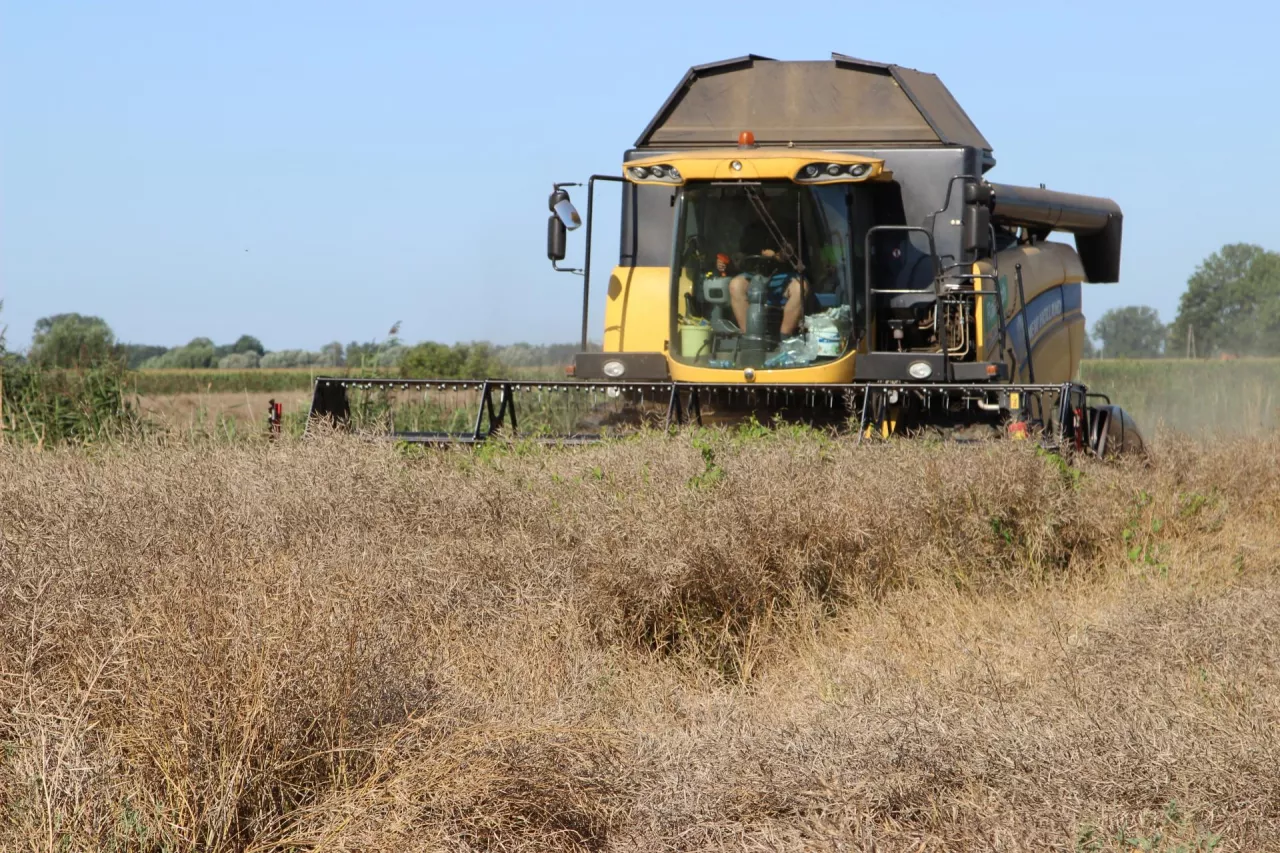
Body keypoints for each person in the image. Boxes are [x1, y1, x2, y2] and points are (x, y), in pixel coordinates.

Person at [728, 221, 808, 336]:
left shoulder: (785, 226)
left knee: (800, 288)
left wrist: (775, 256)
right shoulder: (750, 230)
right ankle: (749, 336)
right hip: (754, 275)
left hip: (783, 277)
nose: (764, 205)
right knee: (735, 285)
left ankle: (785, 337)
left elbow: (788, 252)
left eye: (767, 202)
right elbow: (740, 253)